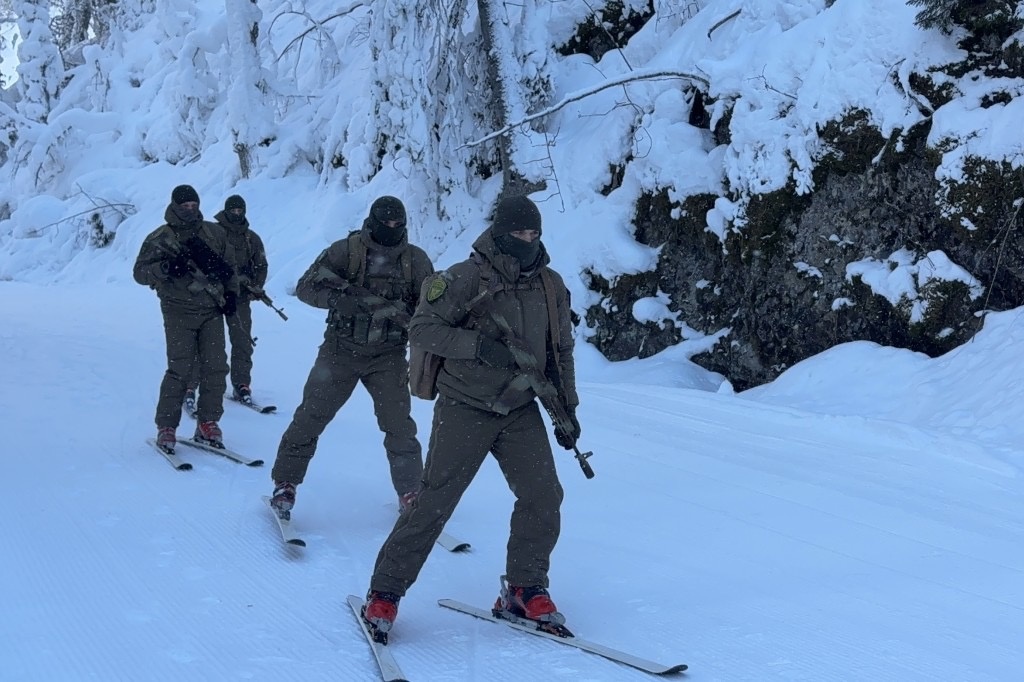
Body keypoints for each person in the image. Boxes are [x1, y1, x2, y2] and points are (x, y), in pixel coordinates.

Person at [360, 195, 581, 641]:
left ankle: (525, 587)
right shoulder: (460, 279)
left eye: (534, 234)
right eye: (519, 233)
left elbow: (560, 351)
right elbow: (422, 328)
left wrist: (567, 410)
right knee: (434, 501)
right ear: (500, 233)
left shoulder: (550, 285)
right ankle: (384, 593)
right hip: (465, 406)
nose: (527, 241)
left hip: (520, 409)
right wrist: (476, 346)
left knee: (543, 496)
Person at [269, 196, 433, 516]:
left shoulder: (415, 260)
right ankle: (285, 483)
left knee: (399, 427)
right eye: (385, 224)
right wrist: (338, 300)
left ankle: (411, 492)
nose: (391, 229)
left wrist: (414, 320)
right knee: (310, 417)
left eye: (397, 225)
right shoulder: (346, 252)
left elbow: (429, 308)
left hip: (388, 356)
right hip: (340, 350)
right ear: (372, 221)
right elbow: (305, 287)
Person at [133, 184, 239, 452]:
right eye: (184, 207)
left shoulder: (214, 234)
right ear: (174, 206)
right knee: (180, 369)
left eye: (193, 206)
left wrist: (232, 296)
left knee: (216, 367)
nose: (190, 211)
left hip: (211, 309)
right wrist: (167, 267)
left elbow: (230, 269)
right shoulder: (160, 237)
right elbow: (140, 273)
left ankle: (208, 421)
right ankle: (166, 426)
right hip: (178, 310)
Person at [184, 194, 268, 409]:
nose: (237, 214)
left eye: (240, 211)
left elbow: (260, 265)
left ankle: (242, 384)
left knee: (242, 341)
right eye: (234, 210)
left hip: (238, 299)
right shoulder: (213, 232)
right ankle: (190, 386)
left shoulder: (251, 238)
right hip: (210, 297)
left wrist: (253, 288)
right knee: (204, 343)